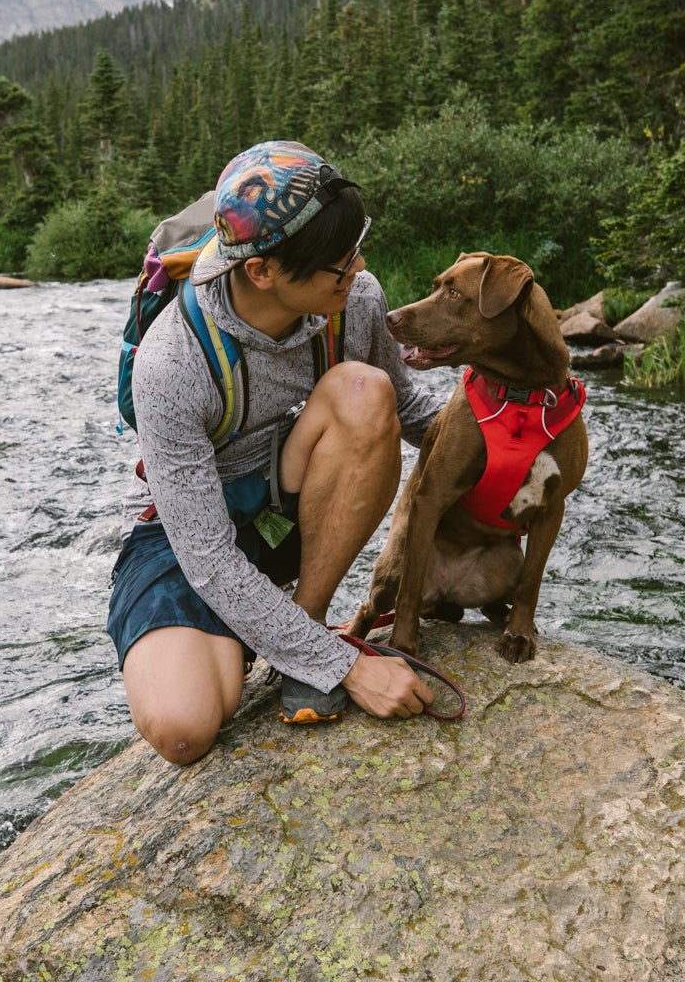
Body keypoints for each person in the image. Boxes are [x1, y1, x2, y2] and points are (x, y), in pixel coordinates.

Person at [108, 140, 443, 765]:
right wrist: (351, 669)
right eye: (339, 266)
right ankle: (272, 640)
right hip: (183, 538)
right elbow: (206, 556)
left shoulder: (356, 299)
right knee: (184, 730)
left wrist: (519, 423)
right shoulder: (172, 361)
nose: (360, 269)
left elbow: (410, 414)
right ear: (262, 271)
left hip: (284, 510)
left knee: (363, 391)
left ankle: (305, 621)